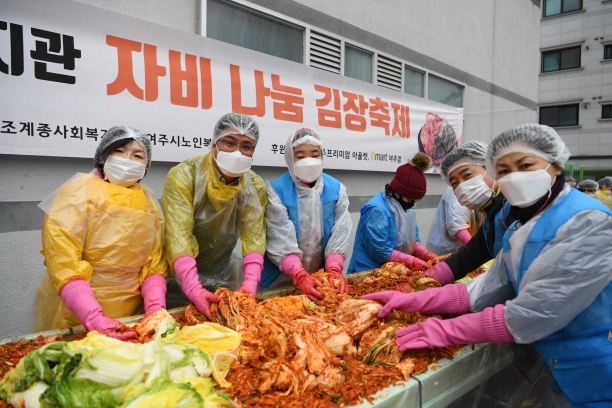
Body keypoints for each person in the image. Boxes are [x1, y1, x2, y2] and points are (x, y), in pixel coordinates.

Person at [363, 124, 612, 407]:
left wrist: (444, 330)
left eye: (525, 164)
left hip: (589, 366)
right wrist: (415, 298)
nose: (513, 176)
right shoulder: (518, 221)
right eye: (504, 170)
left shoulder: (588, 221)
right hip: (550, 356)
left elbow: (534, 313)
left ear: (555, 164)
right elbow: (484, 286)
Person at [35, 126, 167, 340]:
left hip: (133, 312)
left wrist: (155, 307)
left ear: (146, 166)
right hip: (77, 311)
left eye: (138, 155)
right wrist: (93, 317)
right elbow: (63, 261)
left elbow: (155, 262)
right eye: (119, 151)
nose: (128, 159)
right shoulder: (77, 192)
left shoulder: (148, 201)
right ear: (103, 157)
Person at [162, 113, 267, 320]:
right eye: (229, 142)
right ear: (214, 144)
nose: (238, 152)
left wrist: (251, 282)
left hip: (223, 271)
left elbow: (254, 236)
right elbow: (178, 236)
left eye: (246, 146)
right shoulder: (185, 175)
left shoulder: (254, 185)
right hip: (178, 275)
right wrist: (191, 286)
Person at [261, 128, 351, 301]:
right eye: (300, 156)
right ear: (289, 158)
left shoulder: (336, 189)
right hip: (278, 279)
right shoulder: (276, 190)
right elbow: (279, 237)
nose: (308, 162)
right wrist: (300, 275)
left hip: (320, 278)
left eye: (315, 155)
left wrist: (333, 269)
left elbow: (340, 232)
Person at [424, 141, 512, 285]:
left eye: (468, 175)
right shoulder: (491, 217)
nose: (463, 185)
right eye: (454, 183)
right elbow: (467, 257)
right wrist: (425, 279)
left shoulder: (515, 210)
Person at [348, 152, 436, 274]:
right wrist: (413, 262)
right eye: (409, 199)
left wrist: (429, 256)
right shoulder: (376, 211)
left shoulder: (404, 210)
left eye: (414, 200)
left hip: (393, 272)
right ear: (397, 191)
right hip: (368, 272)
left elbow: (413, 242)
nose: (411, 203)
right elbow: (379, 250)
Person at [425, 184, 485, 256]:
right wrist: (475, 250)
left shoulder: (484, 187)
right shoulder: (456, 189)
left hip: (464, 248)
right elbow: (457, 225)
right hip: (447, 249)